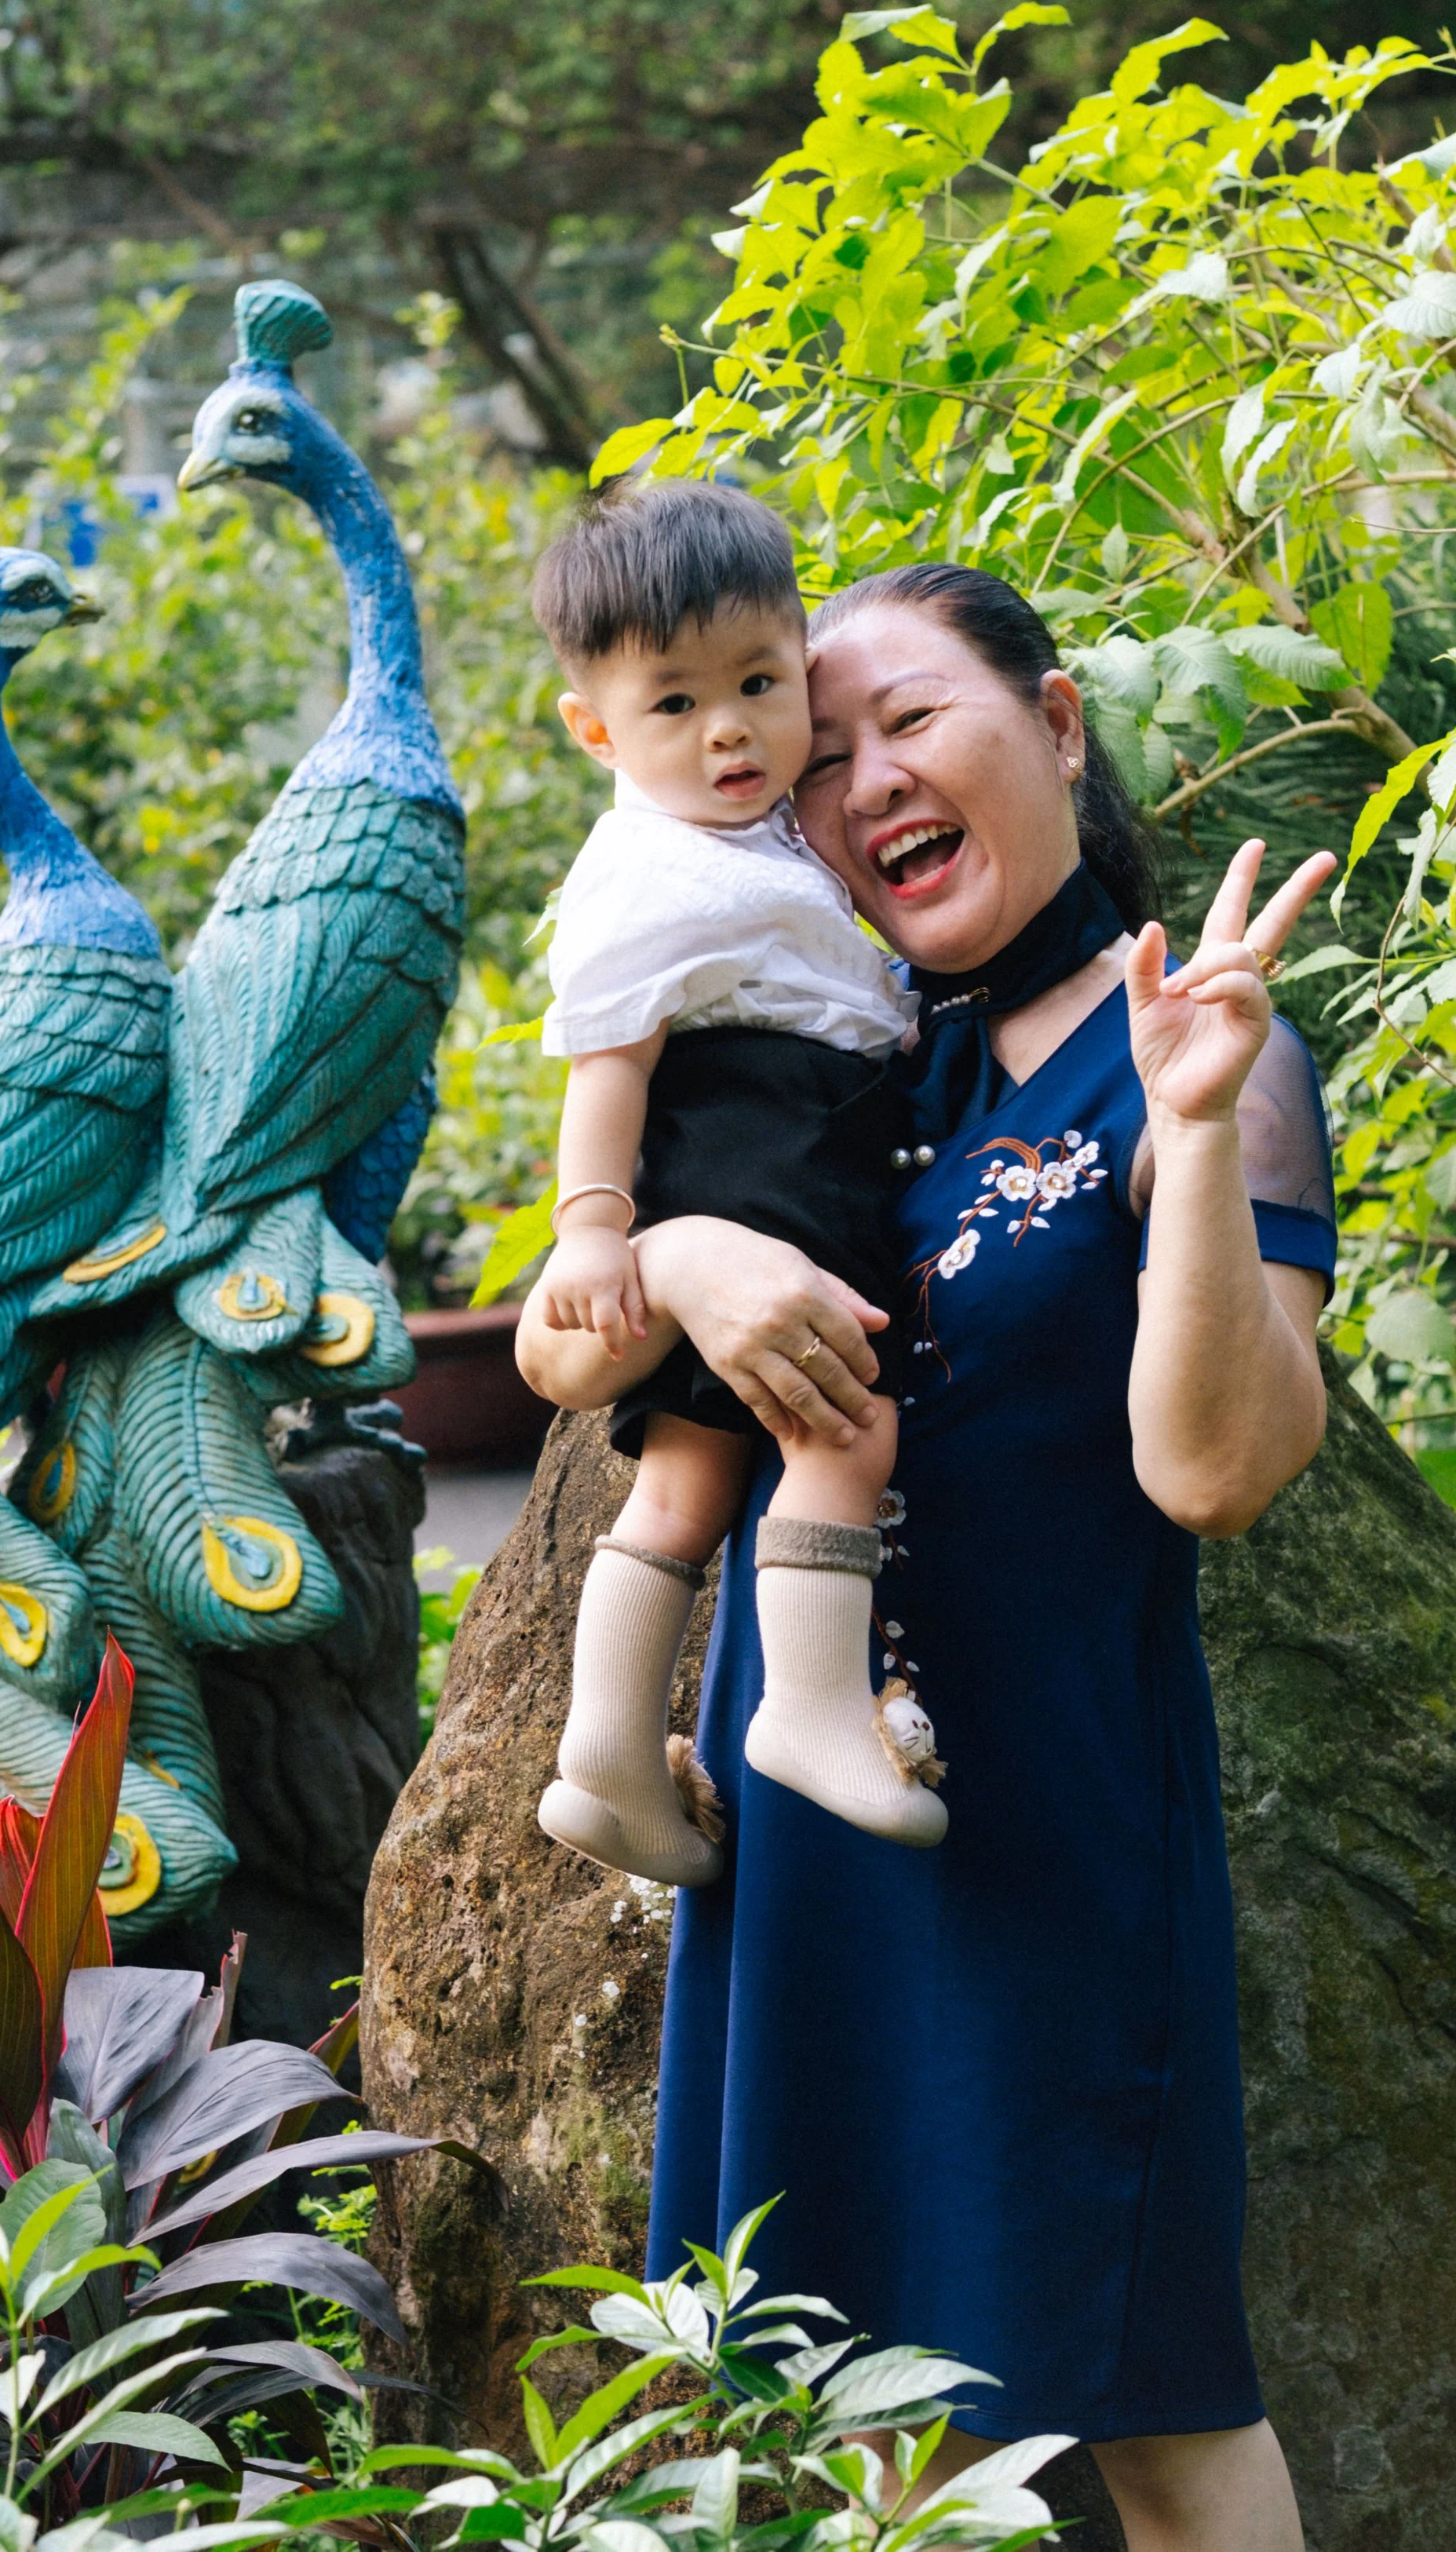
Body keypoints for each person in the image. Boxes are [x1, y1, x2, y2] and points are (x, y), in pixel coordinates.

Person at [516, 558, 1338, 2552]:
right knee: (864, 2421)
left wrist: (1203, 1133)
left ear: (1053, 724)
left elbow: (1216, 1469)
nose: (857, 773)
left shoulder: (1196, 1053)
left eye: (915, 721)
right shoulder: (837, 1029)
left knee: (1149, 2403)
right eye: (830, 740)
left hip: (1046, 1831)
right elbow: (561, 1342)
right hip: (803, 1830)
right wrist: (691, 1255)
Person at [527, 480, 944, 1892]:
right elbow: (608, 1068)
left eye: (761, 684)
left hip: (763, 1159)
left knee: (687, 1482)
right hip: (758, 1163)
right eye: (675, 706)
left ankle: (609, 1757)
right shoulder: (650, 872)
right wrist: (594, 1226)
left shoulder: (766, 839)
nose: (728, 732)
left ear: (804, 663)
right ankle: (810, 1707)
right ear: (596, 730)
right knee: (849, 1419)